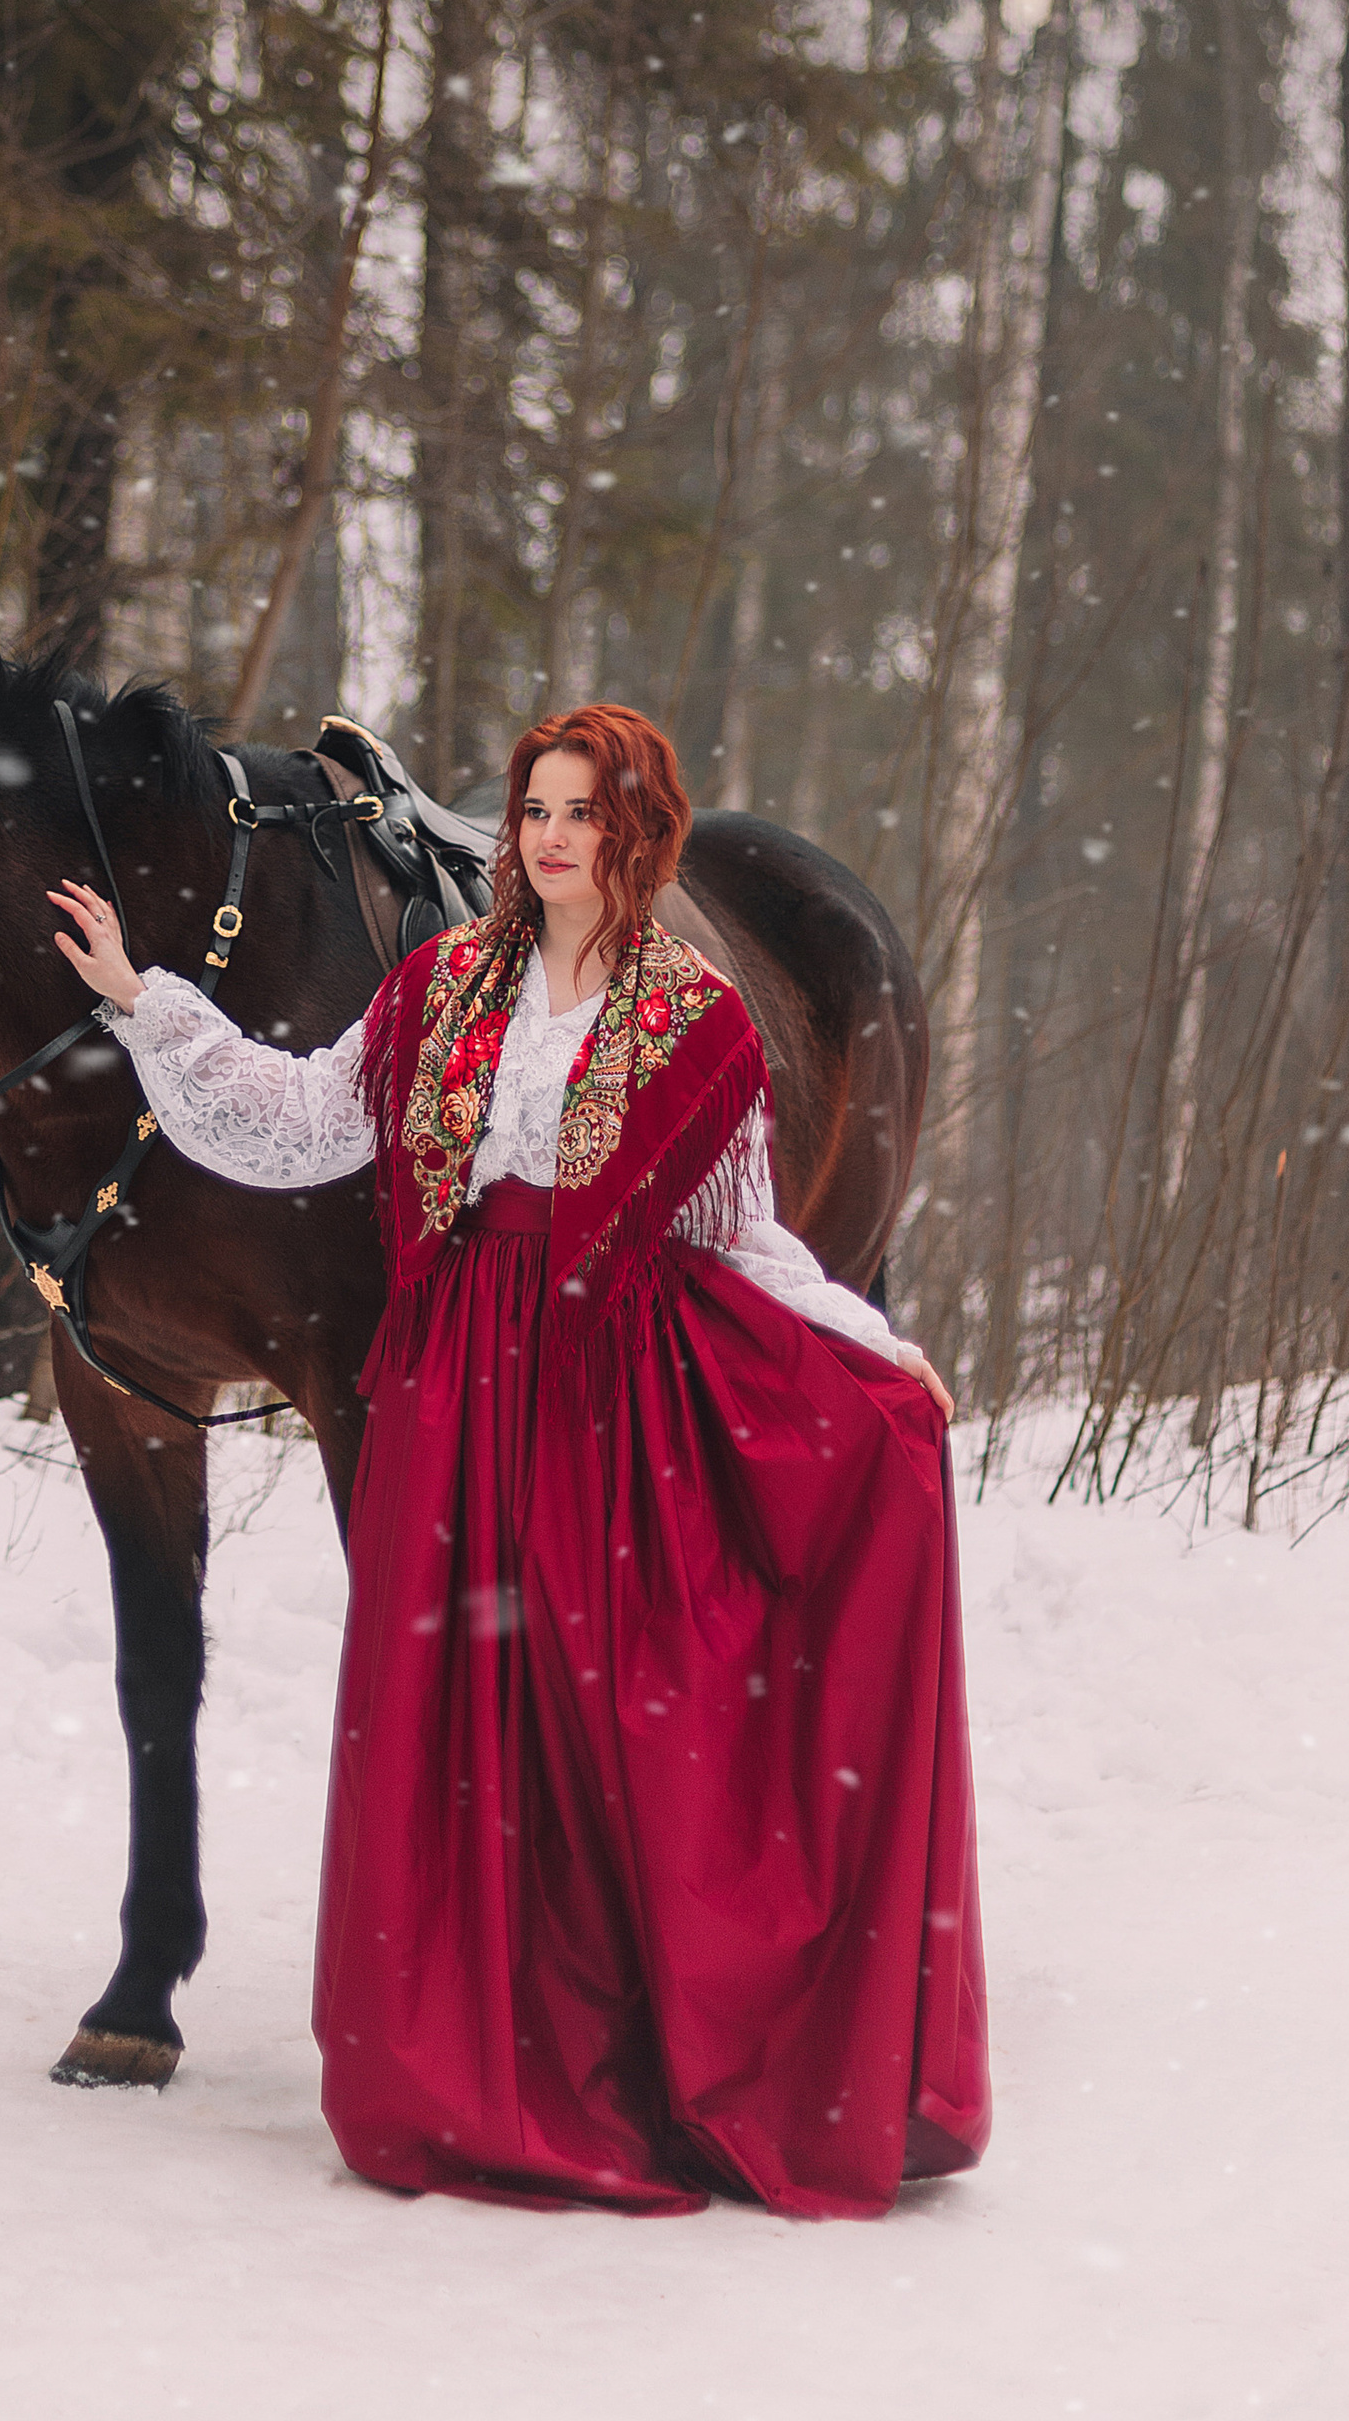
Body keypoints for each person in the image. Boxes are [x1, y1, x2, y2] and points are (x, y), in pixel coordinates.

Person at [50, 700, 990, 2218]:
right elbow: (296, 1120)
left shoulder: (694, 1011)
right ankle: (461, 2062)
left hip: (607, 1390)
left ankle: (638, 2044)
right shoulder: (441, 986)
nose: (552, 839)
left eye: (584, 814)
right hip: (451, 1380)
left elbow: (740, 1228)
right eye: (537, 810)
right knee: (454, 1715)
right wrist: (144, 1001)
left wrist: (872, 1348)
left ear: (639, 834)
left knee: (597, 1710)